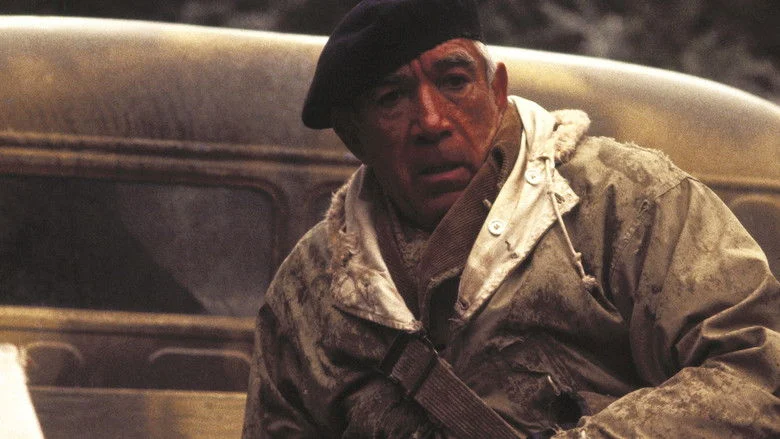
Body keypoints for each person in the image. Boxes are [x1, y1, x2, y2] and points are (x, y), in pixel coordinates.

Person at [242, 0, 780, 437]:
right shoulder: (308, 291)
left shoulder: (628, 200)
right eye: (390, 98)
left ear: (496, 91)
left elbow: (756, 369)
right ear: (353, 135)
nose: (431, 121)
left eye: (454, 81)